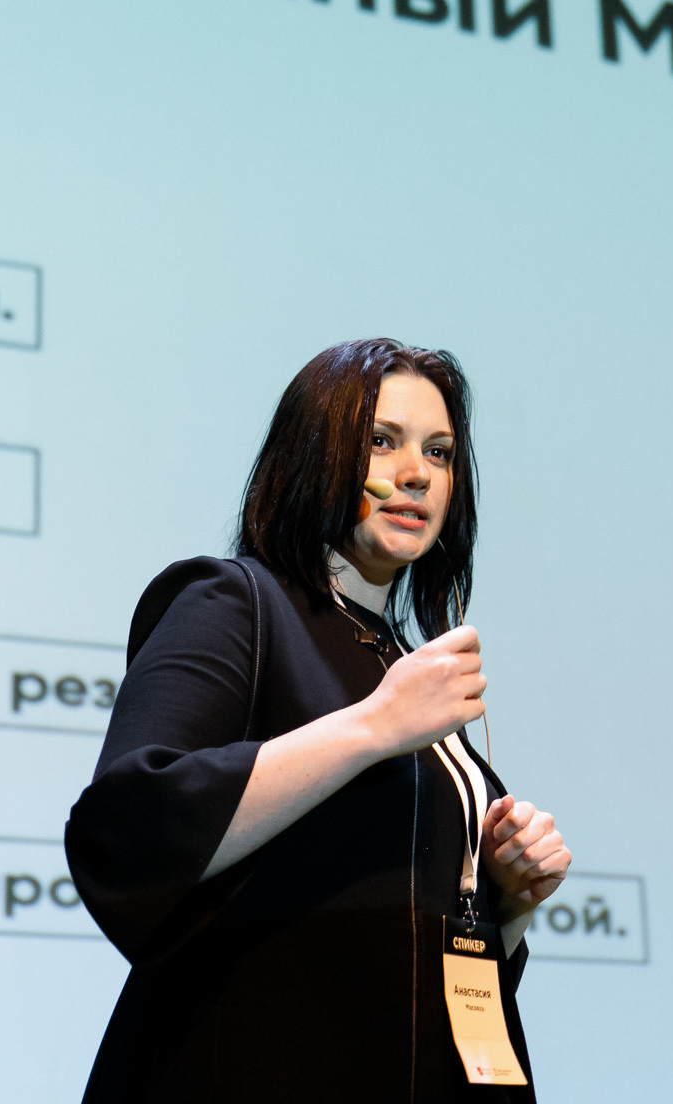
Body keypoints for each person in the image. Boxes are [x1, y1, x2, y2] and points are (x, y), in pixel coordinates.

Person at [66, 338, 571, 1101]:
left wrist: (510, 899)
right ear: (314, 454)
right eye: (382, 441)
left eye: (438, 452)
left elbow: (406, 952)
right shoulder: (233, 604)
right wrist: (374, 728)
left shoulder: (400, 660)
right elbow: (130, 824)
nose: (416, 474)